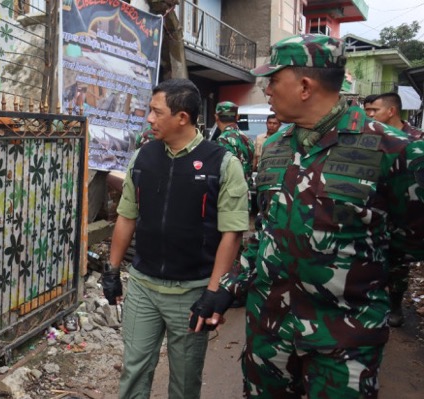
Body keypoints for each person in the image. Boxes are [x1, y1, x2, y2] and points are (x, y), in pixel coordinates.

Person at [199, 34, 424, 399]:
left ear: (304, 86)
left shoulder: (394, 150)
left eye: (272, 80)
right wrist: (228, 287)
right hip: (269, 335)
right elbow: (267, 232)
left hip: (344, 341)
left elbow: (411, 239)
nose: (267, 89)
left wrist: (357, 269)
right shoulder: (273, 147)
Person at [102, 79, 248, 399]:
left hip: (191, 291)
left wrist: (213, 292)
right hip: (143, 286)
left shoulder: (222, 163)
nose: (149, 119)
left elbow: (232, 233)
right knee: (134, 369)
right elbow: (127, 216)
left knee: (184, 380)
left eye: (157, 112)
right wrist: (112, 270)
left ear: (182, 117)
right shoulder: (144, 157)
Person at [363, 92, 424, 327]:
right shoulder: (371, 139)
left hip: (404, 214)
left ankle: (396, 304)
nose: (369, 115)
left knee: (398, 265)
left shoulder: (415, 140)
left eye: (373, 110)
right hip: (376, 212)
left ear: (391, 111)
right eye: (366, 110)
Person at [214, 101, 256, 183]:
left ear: (216, 117)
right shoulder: (247, 138)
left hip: (231, 190)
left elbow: (223, 170)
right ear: (237, 117)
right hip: (246, 190)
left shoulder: (223, 139)